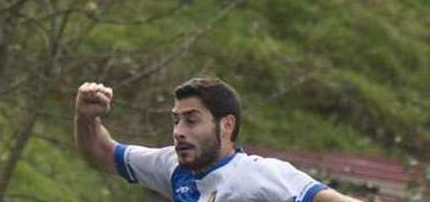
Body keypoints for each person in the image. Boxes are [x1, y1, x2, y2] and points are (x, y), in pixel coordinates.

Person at [74, 77, 365, 202]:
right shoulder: (174, 167)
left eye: (192, 120)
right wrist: (86, 117)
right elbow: (101, 154)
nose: (178, 131)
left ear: (226, 126)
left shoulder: (260, 175)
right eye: (176, 120)